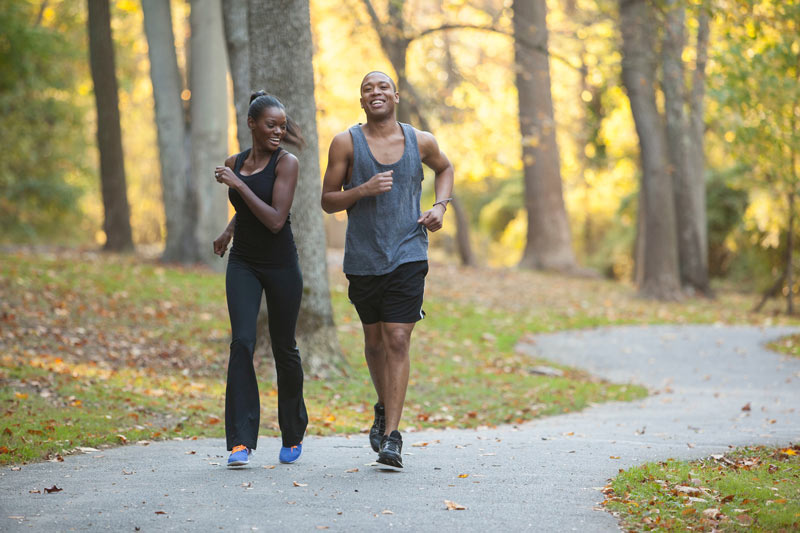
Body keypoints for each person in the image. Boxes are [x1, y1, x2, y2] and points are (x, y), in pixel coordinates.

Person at [320, 71, 455, 469]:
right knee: (375, 342)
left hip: (409, 252)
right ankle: (383, 405)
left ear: (395, 95)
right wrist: (361, 190)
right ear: (361, 100)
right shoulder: (346, 142)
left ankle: (392, 438)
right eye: (367, 89)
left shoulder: (421, 141)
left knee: (397, 338)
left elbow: (445, 169)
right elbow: (327, 200)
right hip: (363, 257)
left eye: (382, 87)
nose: (375, 93)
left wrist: (439, 206)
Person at [213, 91, 308, 467]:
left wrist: (237, 185)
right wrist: (229, 231)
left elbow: (274, 219)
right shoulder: (235, 162)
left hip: (281, 263)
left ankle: (292, 432)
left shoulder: (288, 163)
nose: (278, 132)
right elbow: (249, 210)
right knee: (242, 342)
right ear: (251, 124)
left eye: (282, 127)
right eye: (271, 125)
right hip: (244, 263)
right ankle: (240, 441)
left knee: (284, 347)